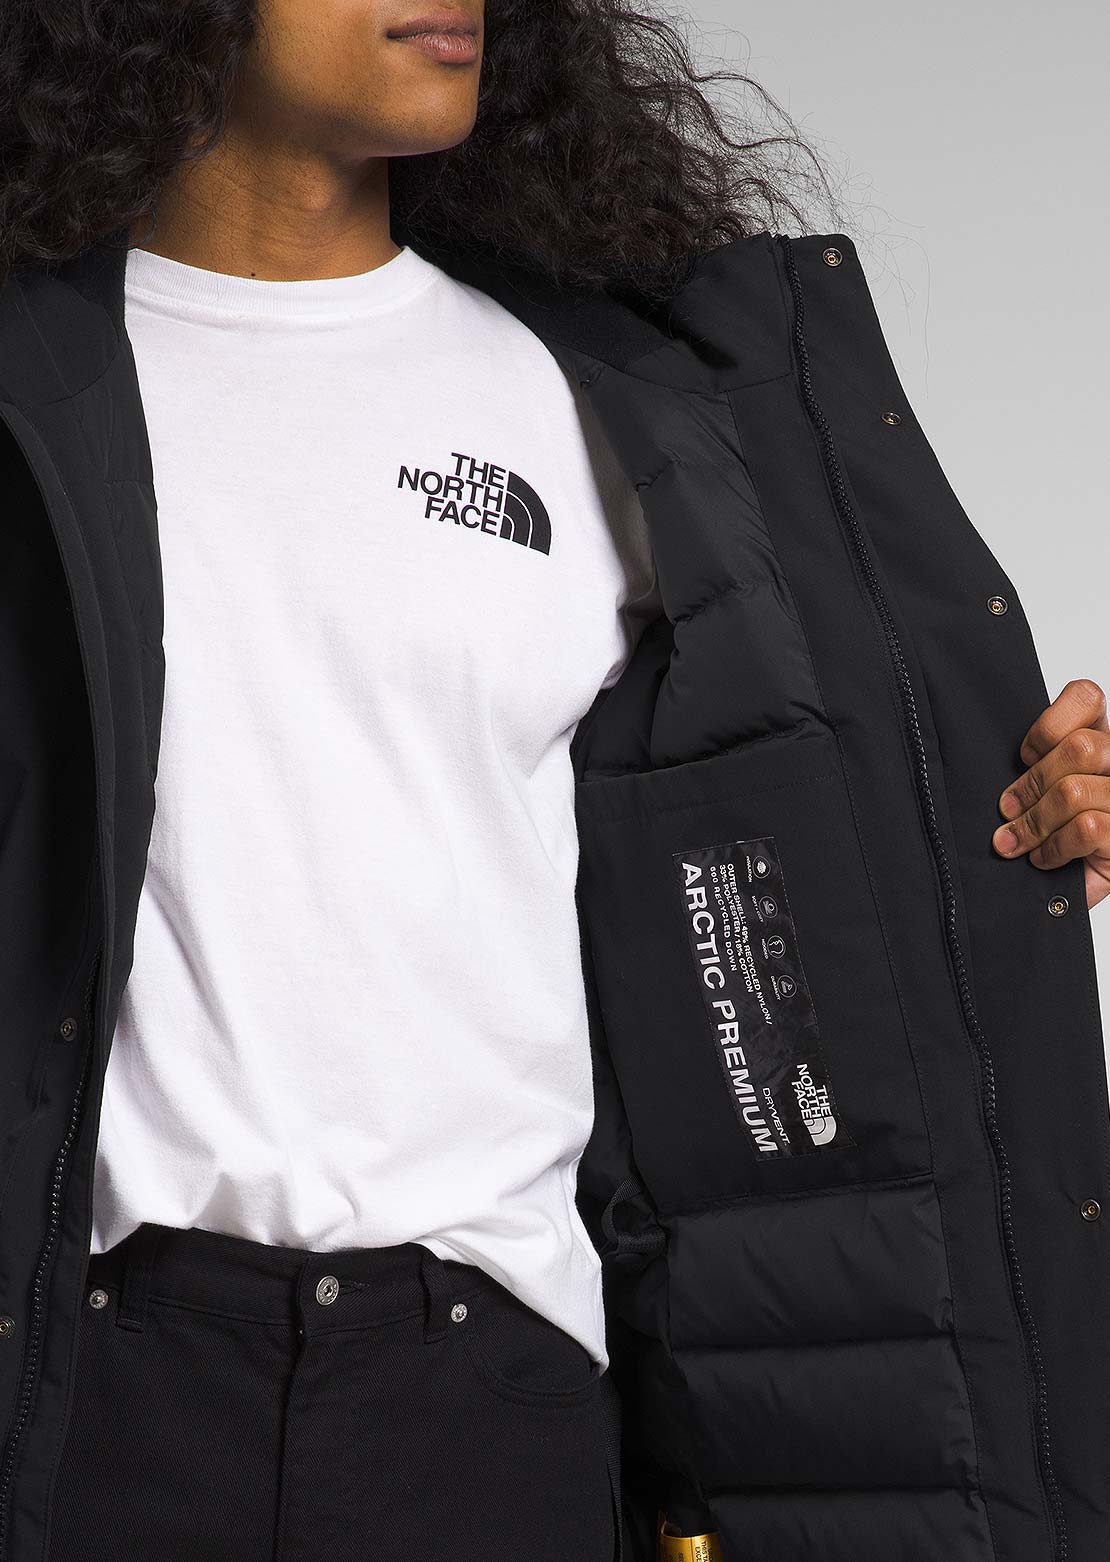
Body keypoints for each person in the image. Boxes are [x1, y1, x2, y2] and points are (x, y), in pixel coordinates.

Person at [0, 3, 1107, 1560]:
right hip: (99, 1390)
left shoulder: (617, 400)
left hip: (494, 1399)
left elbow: (806, 880)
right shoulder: (32, 390)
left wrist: (1021, 821)